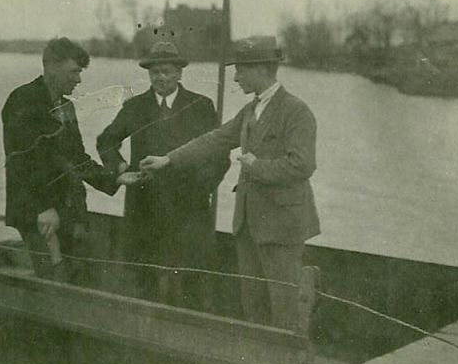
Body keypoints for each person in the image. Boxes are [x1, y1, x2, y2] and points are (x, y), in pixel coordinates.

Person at [136, 36, 320, 329]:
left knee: (284, 307)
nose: (235, 77)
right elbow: (215, 140)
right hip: (247, 224)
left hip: (281, 226)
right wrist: (168, 159)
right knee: (253, 305)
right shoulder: (250, 110)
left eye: (240, 70)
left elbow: (303, 165)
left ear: (261, 69)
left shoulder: (296, 111)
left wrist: (257, 166)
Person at [96, 42, 229, 309]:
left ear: (179, 73)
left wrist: (201, 188)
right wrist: (121, 169)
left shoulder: (200, 106)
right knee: (144, 276)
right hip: (144, 205)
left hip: (190, 208)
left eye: (167, 71)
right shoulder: (135, 106)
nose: (161, 78)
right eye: (155, 72)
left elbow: (219, 155)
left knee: (190, 278)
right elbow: (106, 141)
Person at [2, 37, 135, 282]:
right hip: (36, 211)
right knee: (51, 279)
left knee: (73, 274)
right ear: (52, 66)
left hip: (66, 208)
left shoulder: (67, 107)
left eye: (80, 72)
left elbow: (77, 158)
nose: (79, 79)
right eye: (74, 71)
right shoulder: (22, 100)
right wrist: (43, 208)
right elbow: (21, 162)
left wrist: (115, 178)